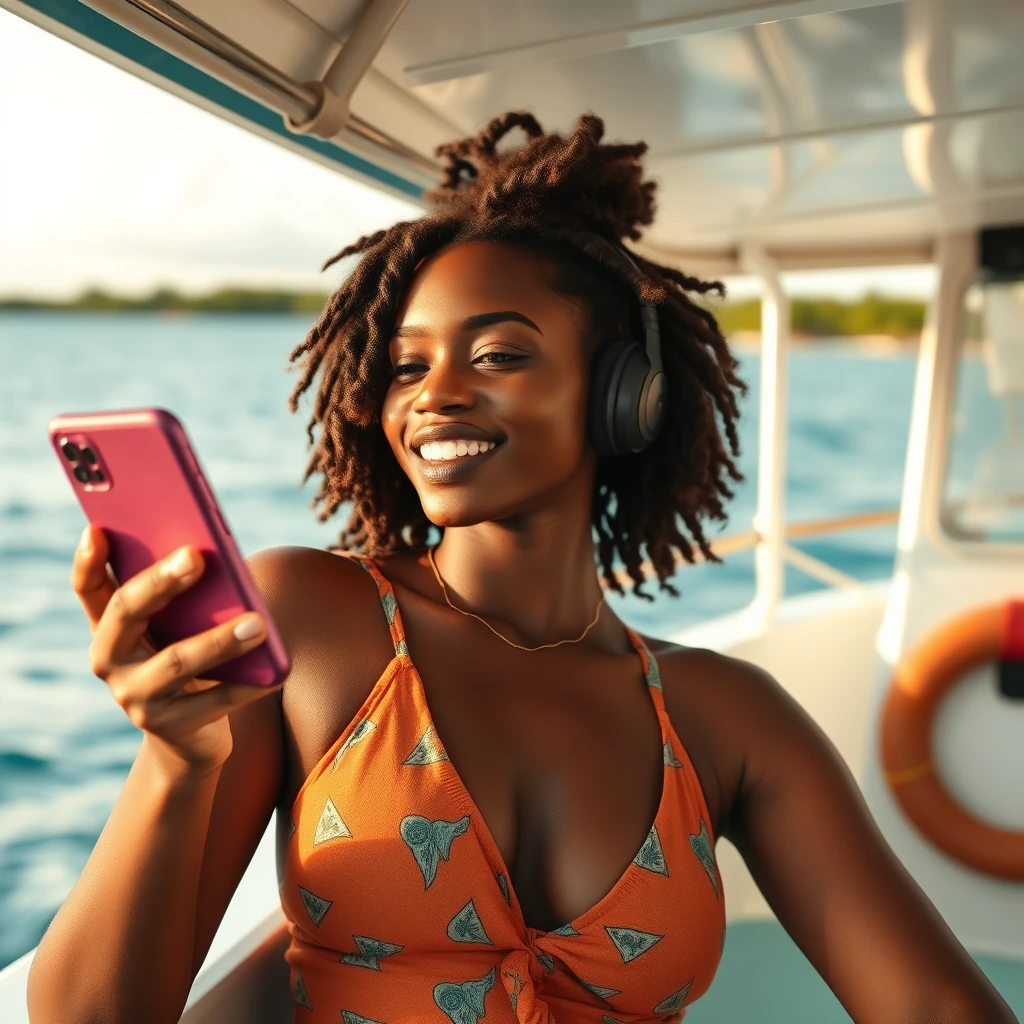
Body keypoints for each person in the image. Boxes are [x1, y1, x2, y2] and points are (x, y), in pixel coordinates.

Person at [26, 113, 1016, 1024]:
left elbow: (935, 1007)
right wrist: (174, 761)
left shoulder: (727, 718)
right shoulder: (312, 619)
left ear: (623, 396)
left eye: (497, 355)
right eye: (407, 366)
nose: (436, 397)